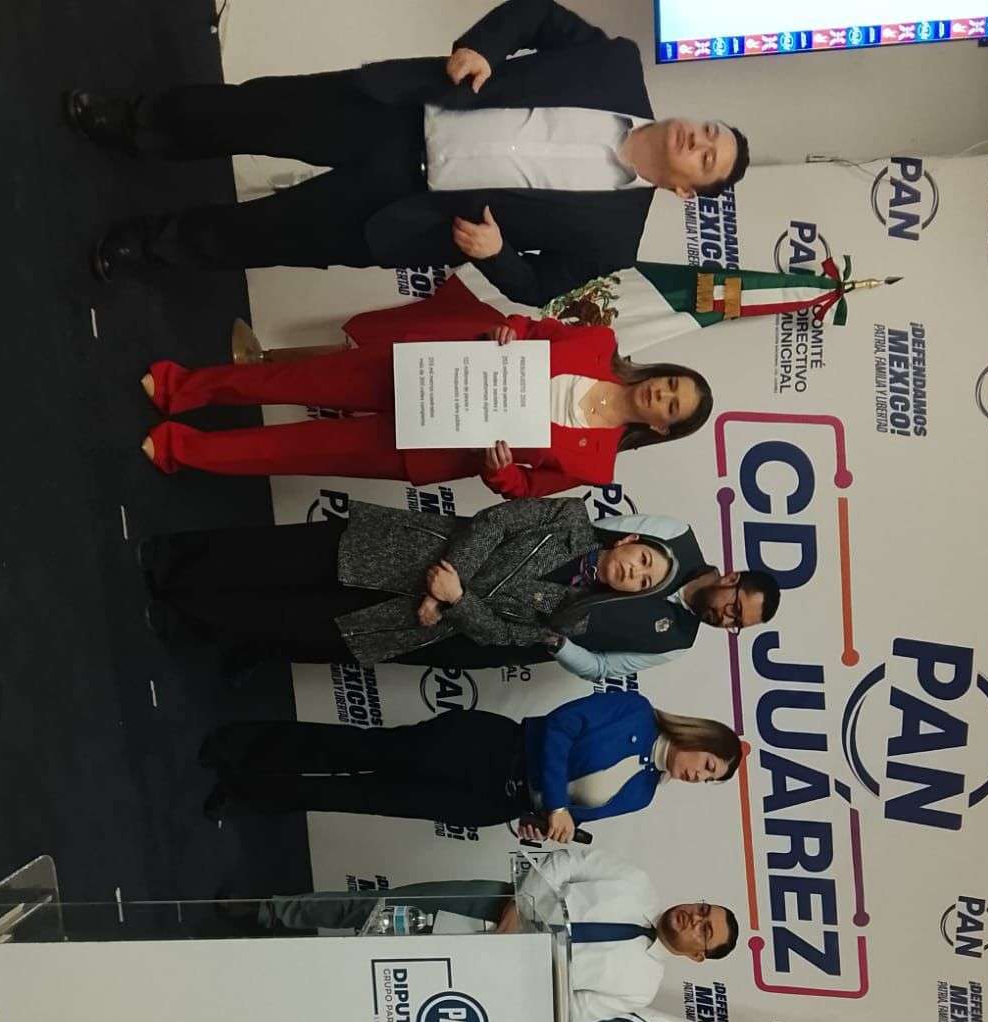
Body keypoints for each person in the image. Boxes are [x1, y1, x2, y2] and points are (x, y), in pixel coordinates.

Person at [70, 0, 750, 302]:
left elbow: (539, 288)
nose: (698, 140)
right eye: (709, 130)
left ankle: (147, 245)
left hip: (406, 211)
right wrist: (485, 46)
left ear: (685, 189)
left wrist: (497, 254)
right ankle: (134, 123)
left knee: (263, 233)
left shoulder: (615, 240)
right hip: (396, 107)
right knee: (249, 112)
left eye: (706, 158)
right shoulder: (615, 65)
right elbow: (537, 11)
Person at [140, 274, 712, 490]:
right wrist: (510, 331)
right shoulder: (598, 343)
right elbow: (532, 326)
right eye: (670, 384)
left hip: (430, 446)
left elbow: (521, 489)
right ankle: (181, 388)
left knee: (294, 450)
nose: (661, 394)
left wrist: (501, 469)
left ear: (663, 428)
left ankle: (183, 450)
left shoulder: (596, 465)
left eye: (671, 406)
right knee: (291, 379)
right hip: (431, 373)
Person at [139, 497, 713, 674]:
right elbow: (497, 521)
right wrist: (449, 579)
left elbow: (501, 637)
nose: (634, 572)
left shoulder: (572, 616)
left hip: (422, 619)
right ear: (627, 540)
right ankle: (171, 560)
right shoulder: (570, 518)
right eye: (641, 559)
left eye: (643, 581)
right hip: (413, 550)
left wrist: (455, 602)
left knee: (290, 622)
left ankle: (186, 617)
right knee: (279, 557)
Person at [225, 843, 740, 1022]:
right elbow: (566, 862)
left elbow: (572, 1011)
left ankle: (266, 980)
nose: (693, 918)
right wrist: (517, 912)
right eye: (702, 909)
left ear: (698, 955)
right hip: (490, 905)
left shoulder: (640, 987)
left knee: (377, 976)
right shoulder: (636, 882)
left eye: (704, 929)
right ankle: (270, 912)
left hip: (490, 974)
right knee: (375, 910)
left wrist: (520, 972)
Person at [198, 690, 742, 831]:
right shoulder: (634, 710)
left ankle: (247, 793)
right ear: (700, 739)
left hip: (489, 803)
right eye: (707, 766)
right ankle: (239, 745)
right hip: (488, 748)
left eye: (706, 781)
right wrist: (556, 803)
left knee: (361, 797)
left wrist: (541, 823)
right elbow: (559, 727)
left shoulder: (643, 795)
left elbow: (566, 817)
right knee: (357, 750)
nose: (697, 776)